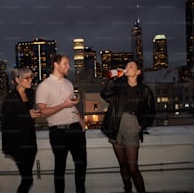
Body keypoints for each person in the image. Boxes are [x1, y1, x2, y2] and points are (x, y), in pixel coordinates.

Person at [100, 60, 156, 193]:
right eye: (127, 66)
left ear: (138, 72)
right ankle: (127, 189)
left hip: (132, 125)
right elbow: (105, 95)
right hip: (116, 124)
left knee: (132, 167)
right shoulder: (119, 85)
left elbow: (151, 111)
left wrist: (141, 126)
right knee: (123, 164)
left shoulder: (144, 90)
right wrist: (114, 78)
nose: (127, 68)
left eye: (131, 66)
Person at [35, 54, 87, 193]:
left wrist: (81, 121)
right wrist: (63, 105)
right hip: (58, 132)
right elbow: (44, 112)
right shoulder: (44, 86)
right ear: (55, 65)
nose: (68, 66)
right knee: (60, 168)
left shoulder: (69, 84)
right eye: (65, 63)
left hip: (76, 129)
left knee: (81, 165)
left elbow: (72, 105)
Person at [1, 68, 41, 193]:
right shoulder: (10, 98)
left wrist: (32, 115)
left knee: (27, 179)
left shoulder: (29, 94)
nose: (30, 80)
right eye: (26, 78)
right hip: (17, 145)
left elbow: (29, 114)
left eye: (31, 77)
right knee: (28, 180)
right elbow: (6, 121)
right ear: (17, 80)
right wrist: (27, 115)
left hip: (30, 142)